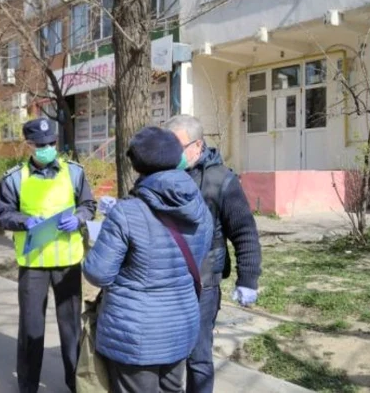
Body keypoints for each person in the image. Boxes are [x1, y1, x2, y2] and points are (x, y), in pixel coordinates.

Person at [82, 127, 213, 393]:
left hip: (136, 334)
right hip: (181, 326)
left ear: (137, 166)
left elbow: (98, 273)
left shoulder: (127, 213)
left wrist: (97, 241)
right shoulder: (199, 206)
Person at [0, 118, 96, 393]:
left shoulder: (74, 173)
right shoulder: (14, 178)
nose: (48, 148)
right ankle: (28, 386)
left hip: (68, 262)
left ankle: (76, 383)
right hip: (33, 265)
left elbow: (89, 205)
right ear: (29, 145)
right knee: (31, 327)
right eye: (41, 145)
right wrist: (25, 220)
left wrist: (79, 218)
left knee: (71, 327)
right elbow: (2, 214)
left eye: (52, 143)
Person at [163, 114, 262, 393]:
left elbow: (244, 232)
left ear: (198, 145)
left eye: (178, 146)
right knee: (167, 353)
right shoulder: (163, 175)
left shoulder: (221, 180)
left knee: (198, 355)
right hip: (166, 280)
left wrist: (248, 279)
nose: (172, 153)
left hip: (203, 282)